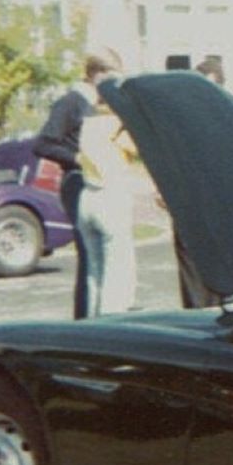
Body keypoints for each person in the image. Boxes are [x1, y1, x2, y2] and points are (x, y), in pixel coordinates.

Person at [34, 48, 124, 318]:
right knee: (89, 254)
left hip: (95, 181)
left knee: (98, 256)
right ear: (95, 74)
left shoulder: (98, 105)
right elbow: (43, 143)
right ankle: (85, 317)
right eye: (110, 78)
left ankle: (97, 313)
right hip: (77, 182)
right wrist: (78, 158)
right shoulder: (71, 103)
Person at [76, 96, 139, 315]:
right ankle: (114, 326)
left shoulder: (88, 123)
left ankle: (93, 324)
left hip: (87, 196)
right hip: (111, 196)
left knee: (95, 274)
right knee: (117, 278)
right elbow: (136, 149)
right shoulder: (116, 126)